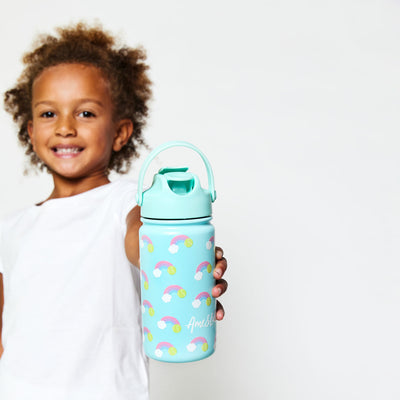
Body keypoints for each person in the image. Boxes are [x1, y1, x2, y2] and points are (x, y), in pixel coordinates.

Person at [0, 23, 228, 400]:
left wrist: (186, 255)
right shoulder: (11, 228)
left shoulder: (124, 203)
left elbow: (141, 239)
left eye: (86, 113)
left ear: (121, 132)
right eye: (48, 114)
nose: (66, 128)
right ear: (29, 131)